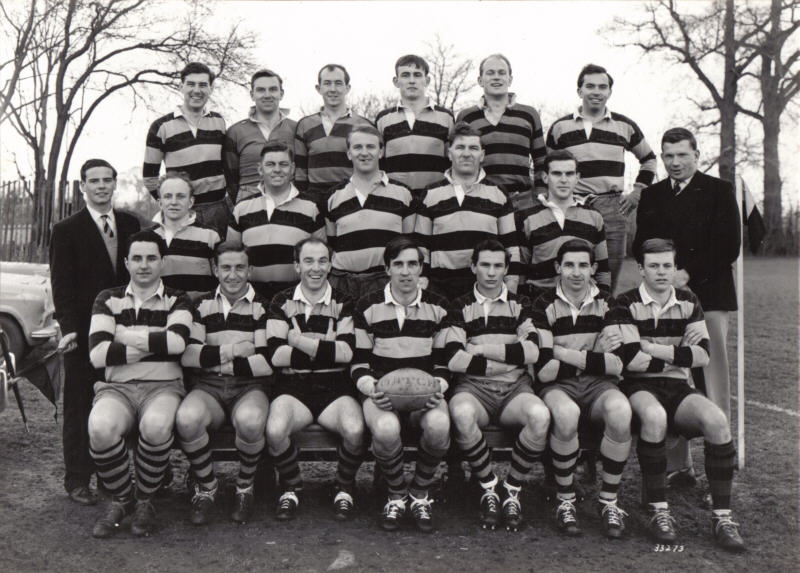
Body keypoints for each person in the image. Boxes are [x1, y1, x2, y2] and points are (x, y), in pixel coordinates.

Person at [609, 238, 745, 552]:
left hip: (677, 387)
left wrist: (652, 347)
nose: (661, 272)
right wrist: (678, 353)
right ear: (641, 269)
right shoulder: (624, 303)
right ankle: (659, 511)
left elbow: (703, 357)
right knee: (654, 416)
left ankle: (723, 517)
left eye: (667, 265)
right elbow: (632, 360)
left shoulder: (689, 300)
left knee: (717, 420)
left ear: (674, 267)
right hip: (638, 386)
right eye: (654, 266)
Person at [86, 230, 193, 538]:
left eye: (151, 258)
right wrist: (155, 343)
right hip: (117, 389)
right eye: (137, 258)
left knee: (156, 426)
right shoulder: (108, 298)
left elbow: (177, 344)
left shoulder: (178, 298)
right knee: (99, 428)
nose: (144, 265)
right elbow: (98, 355)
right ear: (126, 262)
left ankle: (146, 499)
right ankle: (123, 498)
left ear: (162, 262)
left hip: (164, 387)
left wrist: (124, 336)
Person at [633, 127, 741, 427]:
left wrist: (687, 273)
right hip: (662, 296)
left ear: (697, 155)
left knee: (710, 365)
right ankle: (674, 444)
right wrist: (662, 275)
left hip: (710, 293)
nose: (675, 162)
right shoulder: (652, 195)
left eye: (682, 154)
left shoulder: (719, 190)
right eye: (668, 156)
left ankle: (718, 436)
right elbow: (640, 244)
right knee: (667, 368)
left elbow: (728, 246)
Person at [49, 158, 141, 506]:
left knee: (117, 402)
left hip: (124, 331)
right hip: (84, 334)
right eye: (94, 180)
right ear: (83, 186)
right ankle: (77, 479)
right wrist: (70, 329)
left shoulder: (130, 224)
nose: (101, 186)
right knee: (80, 404)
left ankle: (111, 477)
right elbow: (61, 285)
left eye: (107, 180)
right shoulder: (66, 229)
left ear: (115, 183)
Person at [444, 240, 549, 532]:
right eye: (485, 265)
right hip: (474, 389)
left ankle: (512, 489)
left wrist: (480, 350)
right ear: (473, 267)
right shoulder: (459, 305)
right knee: (461, 413)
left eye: (498, 266)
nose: (491, 273)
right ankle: (489, 486)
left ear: (506, 269)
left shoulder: (522, 304)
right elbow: (455, 359)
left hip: (515, 389)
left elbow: (532, 352)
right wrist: (508, 359)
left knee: (540, 416)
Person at [531, 239, 632, 539]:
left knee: (620, 410)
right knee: (565, 414)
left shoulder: (609, 303)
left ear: (593, 269)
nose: (576, 272)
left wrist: (562, 352)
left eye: (583, 265)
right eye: (569, 265)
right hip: (557, 387)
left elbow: (616, 364)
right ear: (558, 267)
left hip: (600, 386)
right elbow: (545, 370)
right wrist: (593, 356)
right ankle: (565, 500)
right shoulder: (542, 304)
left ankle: (609, 501)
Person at [352, 236, 451, 532]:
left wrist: (438, 388)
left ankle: (420, 492)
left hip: (425, 394)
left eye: (412, 264)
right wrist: (373, 390)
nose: (405, 272)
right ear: (387, 269)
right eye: (398, 264)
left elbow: (444, 363)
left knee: (439, 425)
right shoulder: (367, 306)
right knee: (385, 428)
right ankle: (396, 494)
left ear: (421, 268)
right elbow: (358, 363)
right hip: (381, 392)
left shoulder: (439, 306)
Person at [265, 237, 366, 521]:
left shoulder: (344, 301)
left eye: (322, 261)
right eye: (308, 261)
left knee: (355, 430)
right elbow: (277, 356)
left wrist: (299, 341)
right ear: (297, 266)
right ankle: (292, 486)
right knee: (275, 430)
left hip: (335, 387)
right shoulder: (281, 301)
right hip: (293, 386)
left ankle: (343, 486)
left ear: (331, 264)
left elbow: (346, 353)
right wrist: (325, 347)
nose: (316, 268)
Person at [176, 241, 272, 525]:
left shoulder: (263, 307)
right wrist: (235, 350)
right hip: (209, 386)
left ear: (250, 270)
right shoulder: (200, 304)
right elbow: (189, 356)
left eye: (240, 267)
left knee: (251, 421)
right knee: (187, 419)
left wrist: (212, 357)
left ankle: (245, 486)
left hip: (250, 387)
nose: (233, 275)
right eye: (226, 267)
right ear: (215, 270)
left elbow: (265, 362)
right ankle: (207, 486)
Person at [546, 63, 657, 291]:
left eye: (602, 87)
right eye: (590, 86)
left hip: (612, 209)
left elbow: (649, 159)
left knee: (607, 279)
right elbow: (546, 169)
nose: (596, 92)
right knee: (572, 274)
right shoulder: (560, 128)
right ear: (580, 91)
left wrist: (637, 191)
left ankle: (605, 314)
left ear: (609, 92)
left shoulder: (624, 125)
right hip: (572, 206)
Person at [415, 122, 521, 300]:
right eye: (460, 147)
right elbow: (421, 246)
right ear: (449, 153)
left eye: (473, 148)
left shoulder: (498, 193)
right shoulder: (430, 193)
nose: (466, 154)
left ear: (482, 155)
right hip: (440, 289)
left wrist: (511, 284)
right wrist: (422, 281)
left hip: (486, 289)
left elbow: (510, 246)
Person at [325, 125, 417, 299]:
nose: (364, 153)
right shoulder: (333, 196)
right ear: (349, 153)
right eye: (357, 147)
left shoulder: (404, 194)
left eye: (371, 147)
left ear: (381, 152)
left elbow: (409, 242)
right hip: (342, 282)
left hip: (386, 281)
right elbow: (332, 244)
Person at [227, 141, 325, 300]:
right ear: (260, 169)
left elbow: (321, 256)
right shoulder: (241, 208)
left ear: (292, 169)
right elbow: (231, 256)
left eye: (283, 164)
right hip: (252, 298)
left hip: (297, 297)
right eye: (270, 164)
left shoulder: (311, 207)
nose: (277, 169)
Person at [143, 62, 228, 237]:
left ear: (211, 89)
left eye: (203, 85)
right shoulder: (161, 127)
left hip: (218, 210)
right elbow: (149, 177)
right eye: (191, 84)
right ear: (181, 86)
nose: (197, 90)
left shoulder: (219, 122)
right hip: (182, 213)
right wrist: (171, 203)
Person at [456, 53, 547, 210]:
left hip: (523, 201)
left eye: (501, 73)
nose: (496, 77)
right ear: (480, 80)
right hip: (480, 201)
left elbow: (541, 160)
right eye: (490, 73)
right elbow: (458, 161)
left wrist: (541, 193)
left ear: (510, 79)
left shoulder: (529, 115)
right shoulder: (467, 117)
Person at [517, 149, 610, 301]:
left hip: (583, 303)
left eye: (569, 174)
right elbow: (520, 270)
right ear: (545, 177)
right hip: (540, 302)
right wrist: (523, 305)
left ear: (577, 177)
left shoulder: (594, 216)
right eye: (557, 174)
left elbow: (603, 269)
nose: (563, 180)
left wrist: (603, 303)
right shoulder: (527, 218)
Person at [375, 54, 453, 197]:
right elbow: (377, 163)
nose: (412, 80)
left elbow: (452, 161)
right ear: (396, 81)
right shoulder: (383, 119)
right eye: (405, 75)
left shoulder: (446, 117)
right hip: (394, 199)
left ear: (426, 80)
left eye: (417, 75)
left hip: (435, 199)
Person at [294, 64, 371, 200]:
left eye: (338, 83)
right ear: (319, 88)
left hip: (352, 200)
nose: (333, 89)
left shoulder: (364, 125)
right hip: (314, 202)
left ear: (347, 88)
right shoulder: (305, 125)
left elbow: (371, 169)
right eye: (327, 83)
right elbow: (300, 173)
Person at [224, 68, 297, 204]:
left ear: (281, 94)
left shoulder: (296, 128)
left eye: (273, 89)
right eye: (261, 90)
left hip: (288, 199)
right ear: (252, 95)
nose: (267, 95)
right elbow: (231, 179)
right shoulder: (235, 131)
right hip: (248, 200)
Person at [149, 172, 221, 300]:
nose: (174, 202)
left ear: (191, 201)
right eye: (168, 196)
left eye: (181, 196)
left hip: (200, 310)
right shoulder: (147, 238)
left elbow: (221, 280)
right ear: (160, 203)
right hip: (160, 309)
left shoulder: (211, 236)